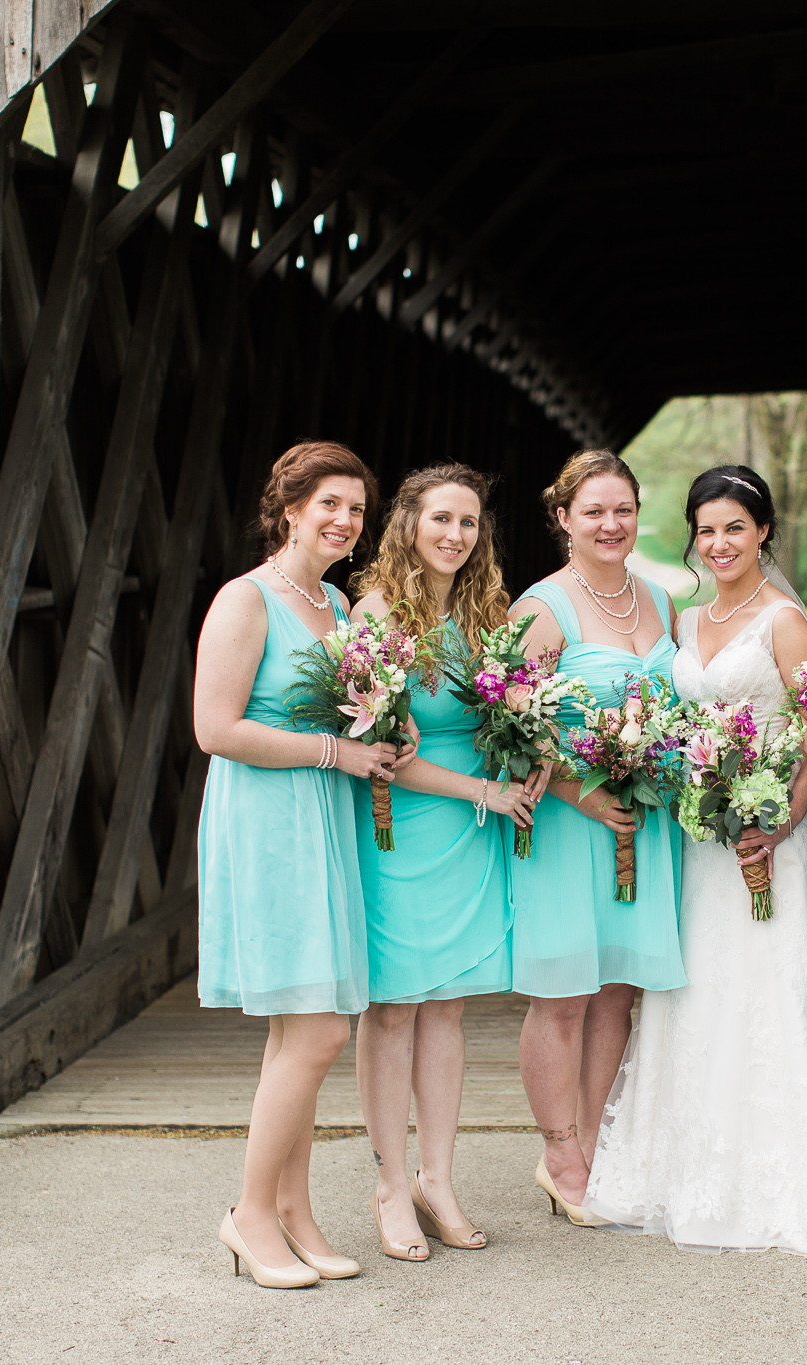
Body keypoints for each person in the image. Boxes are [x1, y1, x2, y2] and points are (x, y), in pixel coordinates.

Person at [588, 466, 807, 1259]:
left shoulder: (786, 621)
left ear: (763, 533)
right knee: (702, 993)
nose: (718, 543)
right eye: (706, 529)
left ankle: (785, 1170)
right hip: (702, 842)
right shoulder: (685, 623)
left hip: (769, 842)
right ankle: (692, 1162)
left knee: (773, 992)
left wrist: (784, 821)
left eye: (734, 528)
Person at [194, 441, 412, 1288]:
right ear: (288, 508)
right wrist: (335, 751)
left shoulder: (339, 606)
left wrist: (386, 732)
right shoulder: (245, 601)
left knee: (298, 1026)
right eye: (328, 504)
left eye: (356, 509)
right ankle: (249, 1215)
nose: (344, 521)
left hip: (325, 816)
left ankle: (297, 1213)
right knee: (320, 1026)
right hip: (268, 820)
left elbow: (362, 715)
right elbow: (216, 728)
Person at [348, 465, 536, 1262]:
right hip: (407, 826)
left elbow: (518, 712)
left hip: (471, 828)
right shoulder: (377, 612)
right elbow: (381, 751)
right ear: (408, 524)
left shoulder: (487, 611)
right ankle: (390, 1183)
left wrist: (533, 754)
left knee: (450, 1006)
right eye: (441, 520)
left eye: (468, 522)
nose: (456, 535)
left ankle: (439, 1178)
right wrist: (483, 793)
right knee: (395, 1006)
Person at [508, 450, 685, 1224]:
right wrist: (584, 796)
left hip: (643, 817)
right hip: (571, 819)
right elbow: (511, 725)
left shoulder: (660, 600)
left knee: (619, 986)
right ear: (563, 518)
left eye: (623, 510)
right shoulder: (541, 608)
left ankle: (600, 1139)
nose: (611, 525)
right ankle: (559, 1151)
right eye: (594, 512)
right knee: (564, 993)